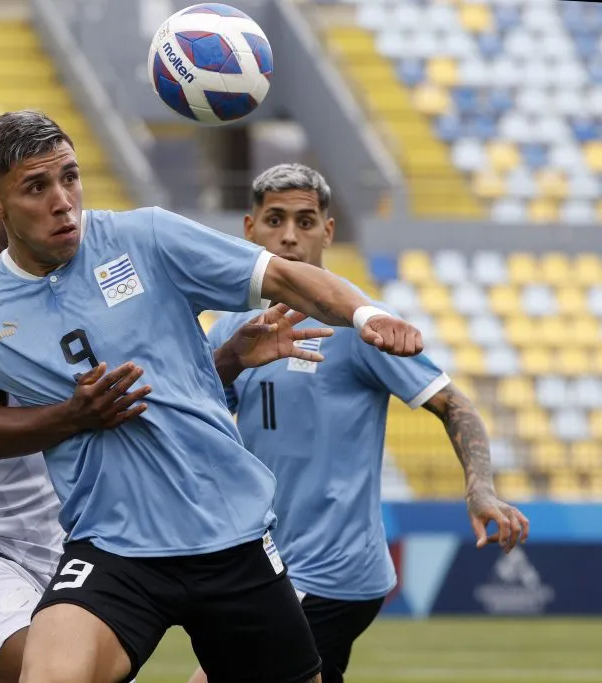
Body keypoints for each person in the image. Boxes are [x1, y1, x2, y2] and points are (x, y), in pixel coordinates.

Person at [0, 110, 424, 683]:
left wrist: (365, 313)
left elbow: (285, 275)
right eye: (37, 188)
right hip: (113, 549)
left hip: (231, 537)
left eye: (70, 179)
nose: (63, 203)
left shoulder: (147, 237)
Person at [190, 164, 532, 683]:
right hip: (269, 562)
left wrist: (479, 487)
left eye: (305, 221)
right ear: (249, 229)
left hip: (331, 572)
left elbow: (455, 405)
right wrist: (230, 362)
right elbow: (198, 412)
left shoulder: (360, 323)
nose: (288, 235)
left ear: (328, 231)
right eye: (275, 219)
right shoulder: (235, 326)